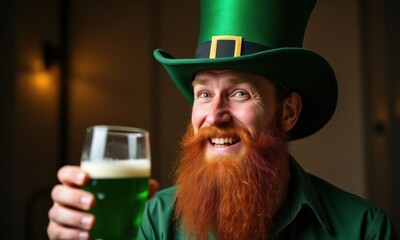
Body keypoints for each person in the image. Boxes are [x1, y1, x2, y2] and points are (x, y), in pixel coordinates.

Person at [47, 0, 399, 239]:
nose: (215, 114)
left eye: (240, 93)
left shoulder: (364, 228)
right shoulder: (153, 219)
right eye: (203, 93)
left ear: (288, 112)